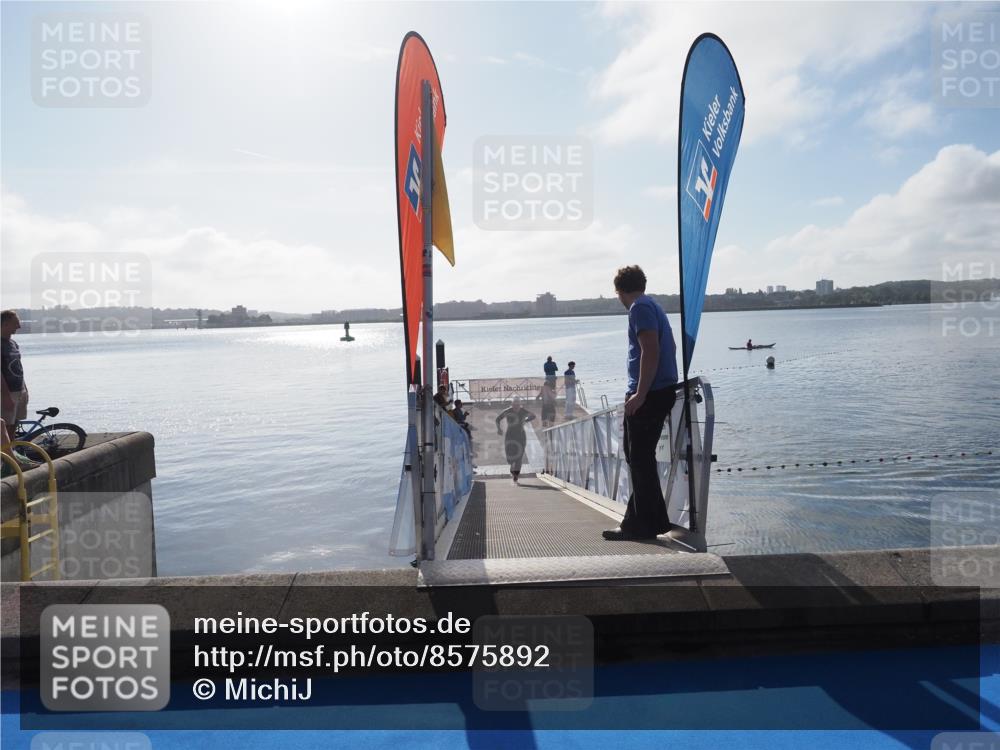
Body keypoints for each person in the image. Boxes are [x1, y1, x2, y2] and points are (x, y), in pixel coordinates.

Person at [603, 265, 679, 541]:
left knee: (639, 459)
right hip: (659, 390)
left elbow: (650, 349)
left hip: (649, 393)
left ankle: (642, 526)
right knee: (640, 459)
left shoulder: (639, 308)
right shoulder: (653, 305)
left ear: (619, 291)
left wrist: (640, 394)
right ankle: (645, 521)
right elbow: (668, 348)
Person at [495, 396, 536, 484]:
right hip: (510, 436)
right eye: (514, 404)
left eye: (518, 405)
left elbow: (533, 416)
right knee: (510, 456)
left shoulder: (523, 411)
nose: (516, 406)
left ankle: (516, 475)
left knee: (519, 457)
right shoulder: (508, 411)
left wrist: (526, 420)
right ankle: (512, 466)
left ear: (520, 404)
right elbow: (497, 419)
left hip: (521, 436)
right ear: (512, 404)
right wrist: (498, 429)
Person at [1, 310, 28, 442]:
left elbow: (18, 367)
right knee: (5, 426)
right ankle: (6, 459)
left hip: (19, 390)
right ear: (5, 324)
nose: (19, 326)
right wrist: (6, 396)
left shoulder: (13, 344)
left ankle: (12, 454)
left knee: (14, 425)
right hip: (7, 393)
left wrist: (25, 389)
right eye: (16, 323)